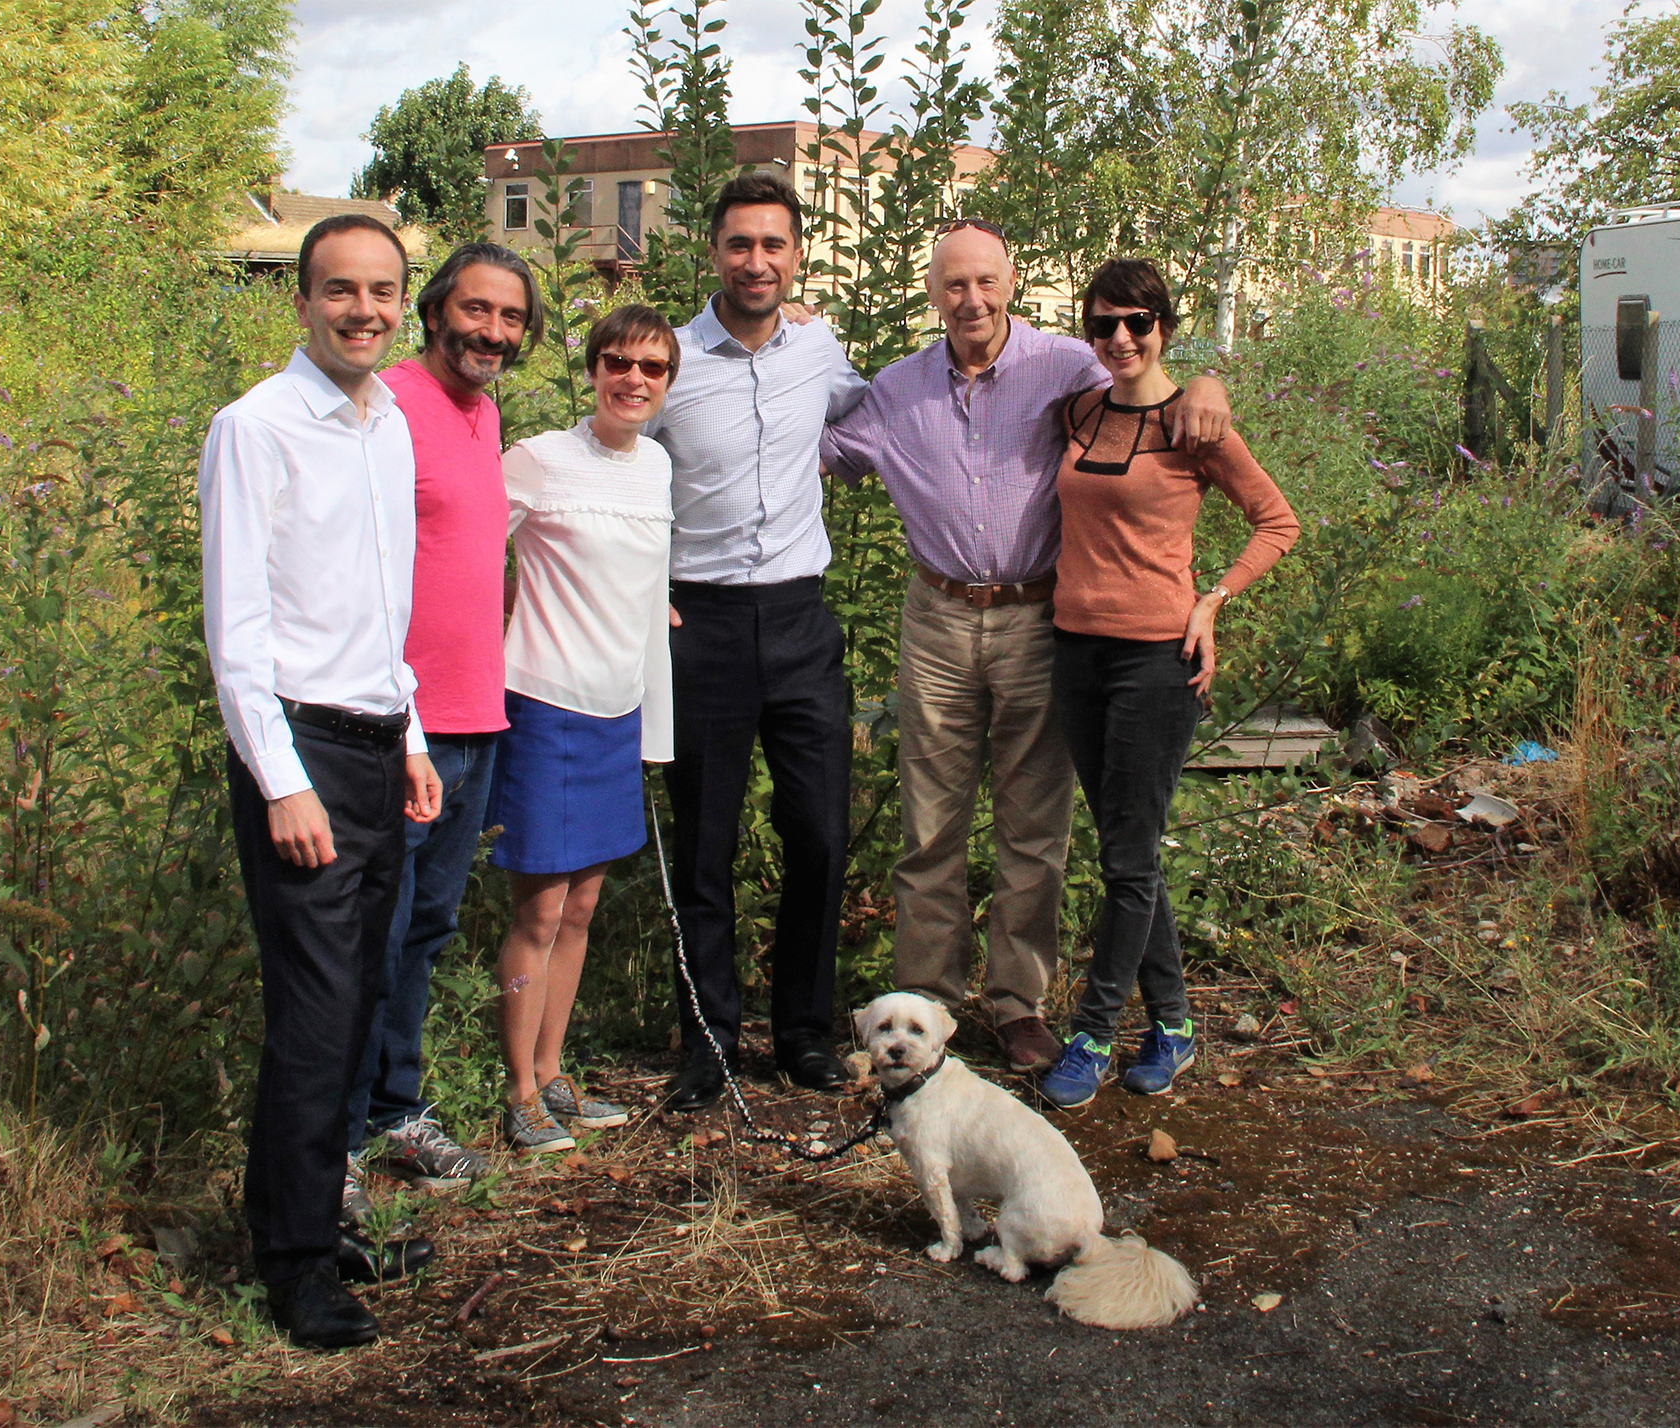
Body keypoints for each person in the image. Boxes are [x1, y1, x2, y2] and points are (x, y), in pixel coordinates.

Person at [820, 220, 1233, 1074]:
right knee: (930, 824)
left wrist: (1209, 377)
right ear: (932, 292)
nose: (971, 300)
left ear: (1012, 281)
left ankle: (1018, 1006)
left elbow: (1143, 379)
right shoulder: (897, 390)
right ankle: (927, 1010)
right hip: (936, 617)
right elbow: (820, 451)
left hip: (1041, 619)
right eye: (953, 285)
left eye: (985, 282)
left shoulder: (1067, 367)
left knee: (1032, 827)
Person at [199, 214, 443, 1350]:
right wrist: (282, 779)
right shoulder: (255, 429)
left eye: (382, 291)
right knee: (312, 1016)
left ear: (403, 301)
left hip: (374, 742)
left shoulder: (387, 421)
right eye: (339, 290)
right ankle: (291, 1266)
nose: (363, 309)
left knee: (357, 1003)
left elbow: (377, 603)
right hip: (293, 753)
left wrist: (409, 735)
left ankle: (321, 1220)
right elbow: (236, 627)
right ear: (301, 301)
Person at [1038, 258, 1299, 1109]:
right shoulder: (1077, 411)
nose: (1120, 338)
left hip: (1156, 661)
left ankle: (1093, 1031)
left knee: (1125, 857)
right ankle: (1178, 1025)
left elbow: (1277, 520)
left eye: (1139, 323)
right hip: (1075, 654)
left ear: (1165, 329)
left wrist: (1214, 600)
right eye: (1104, 323)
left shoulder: (1198, 424)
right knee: (1131, 854)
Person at [643, 172, 869, 1110]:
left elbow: (867, 409)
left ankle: (805, 1036)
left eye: (774, 245)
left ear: (799, 257)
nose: (757, 261)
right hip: (701, 624)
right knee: (706, 843)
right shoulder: (669, 359)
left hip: (801, 619)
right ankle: (710, 1043)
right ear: (714, 253)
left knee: (819, 833)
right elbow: (617, 456)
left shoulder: (819, 348)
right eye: (740, 244)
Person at [339, 244, 542, 1221]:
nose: (491, 332)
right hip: (401, 728)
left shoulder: (485, 414)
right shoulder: (388, 406)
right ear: (432, 312)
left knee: (424, 929)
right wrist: (402, 719)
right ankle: (334, 1140)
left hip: (478, 718)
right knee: (367, 936)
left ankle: (396, 1109)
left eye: (509, 317)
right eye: (475, 310)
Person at [487, 304, 679, 1150]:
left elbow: (643, 589)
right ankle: (519, 1090)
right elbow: (464, 555)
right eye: (617, 362)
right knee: (540, 910)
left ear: (668, 383)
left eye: (653, 367)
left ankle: (557, 1072)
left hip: (617, 709)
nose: (633, 380)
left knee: (585, 904)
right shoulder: (536, 460)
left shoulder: (658, 468)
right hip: (543, 703)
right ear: (593, 370)